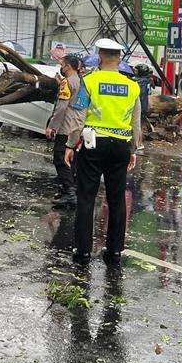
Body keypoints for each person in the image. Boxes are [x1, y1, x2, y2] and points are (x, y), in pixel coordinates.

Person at [64, 38, 140, 264]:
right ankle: (114, 250)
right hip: (120, 146)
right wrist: (133, 149)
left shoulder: (90, 81)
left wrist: (70, 144)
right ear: (119, 59)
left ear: (100, 57)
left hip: (92, 144)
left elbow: (78, 116)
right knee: (116, 198)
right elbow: (136, 123)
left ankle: (83, 251)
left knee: (87, 196)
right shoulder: (132, 86)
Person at [47, 54, 85, 208]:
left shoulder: (67, 83)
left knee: (60, 159)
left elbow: (62, 107)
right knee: (72, 161)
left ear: (68, 66)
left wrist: (52, 126)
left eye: (62, 65)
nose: (61, 68)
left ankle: (70, 193)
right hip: (78, 128)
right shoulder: (83, 82)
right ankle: (66, 190)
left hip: (66, 128)